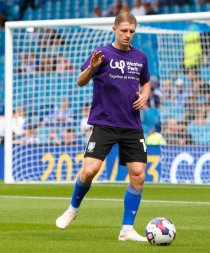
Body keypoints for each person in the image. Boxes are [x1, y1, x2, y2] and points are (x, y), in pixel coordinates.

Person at [55, 12, 150, 242]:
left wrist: (145, 95)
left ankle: (127, 229)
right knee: (89, 170)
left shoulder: (140, 57)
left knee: (138, 175)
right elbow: (81, 80)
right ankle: (73, 209)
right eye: (124, 30)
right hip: (104, 123)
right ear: (114, 29)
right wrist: (92, 68)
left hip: (131, 124)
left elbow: (146, 81)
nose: (128, 35)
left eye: (132, 31)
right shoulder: (102, 53)